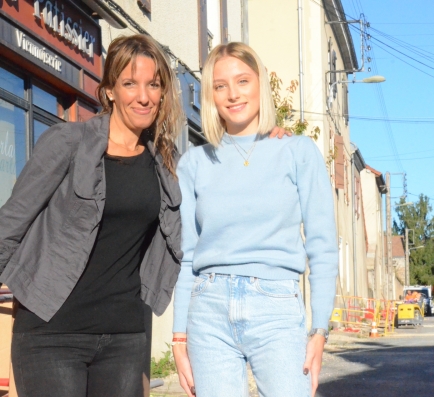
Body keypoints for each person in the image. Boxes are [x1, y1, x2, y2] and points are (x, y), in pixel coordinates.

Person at [0, 34, 287, 396]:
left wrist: (263, 145)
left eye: (153, 85)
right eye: (130, 84)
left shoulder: (167, 164)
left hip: (124, 337)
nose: (144, 96)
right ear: (109, 91)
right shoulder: (67, 142)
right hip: (51, 334)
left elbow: (222, 198)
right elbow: (11, 221)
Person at [172, 42, 338, 397]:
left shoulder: (296, 151)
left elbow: (323, 245)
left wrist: (319, 329)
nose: (233, 94)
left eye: (243, 81)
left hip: (276, 306)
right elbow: (186, 256)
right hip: (208, 310)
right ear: (211, 96)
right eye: (220, 85)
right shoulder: (194, 163)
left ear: (260, 83)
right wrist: (178, 338)